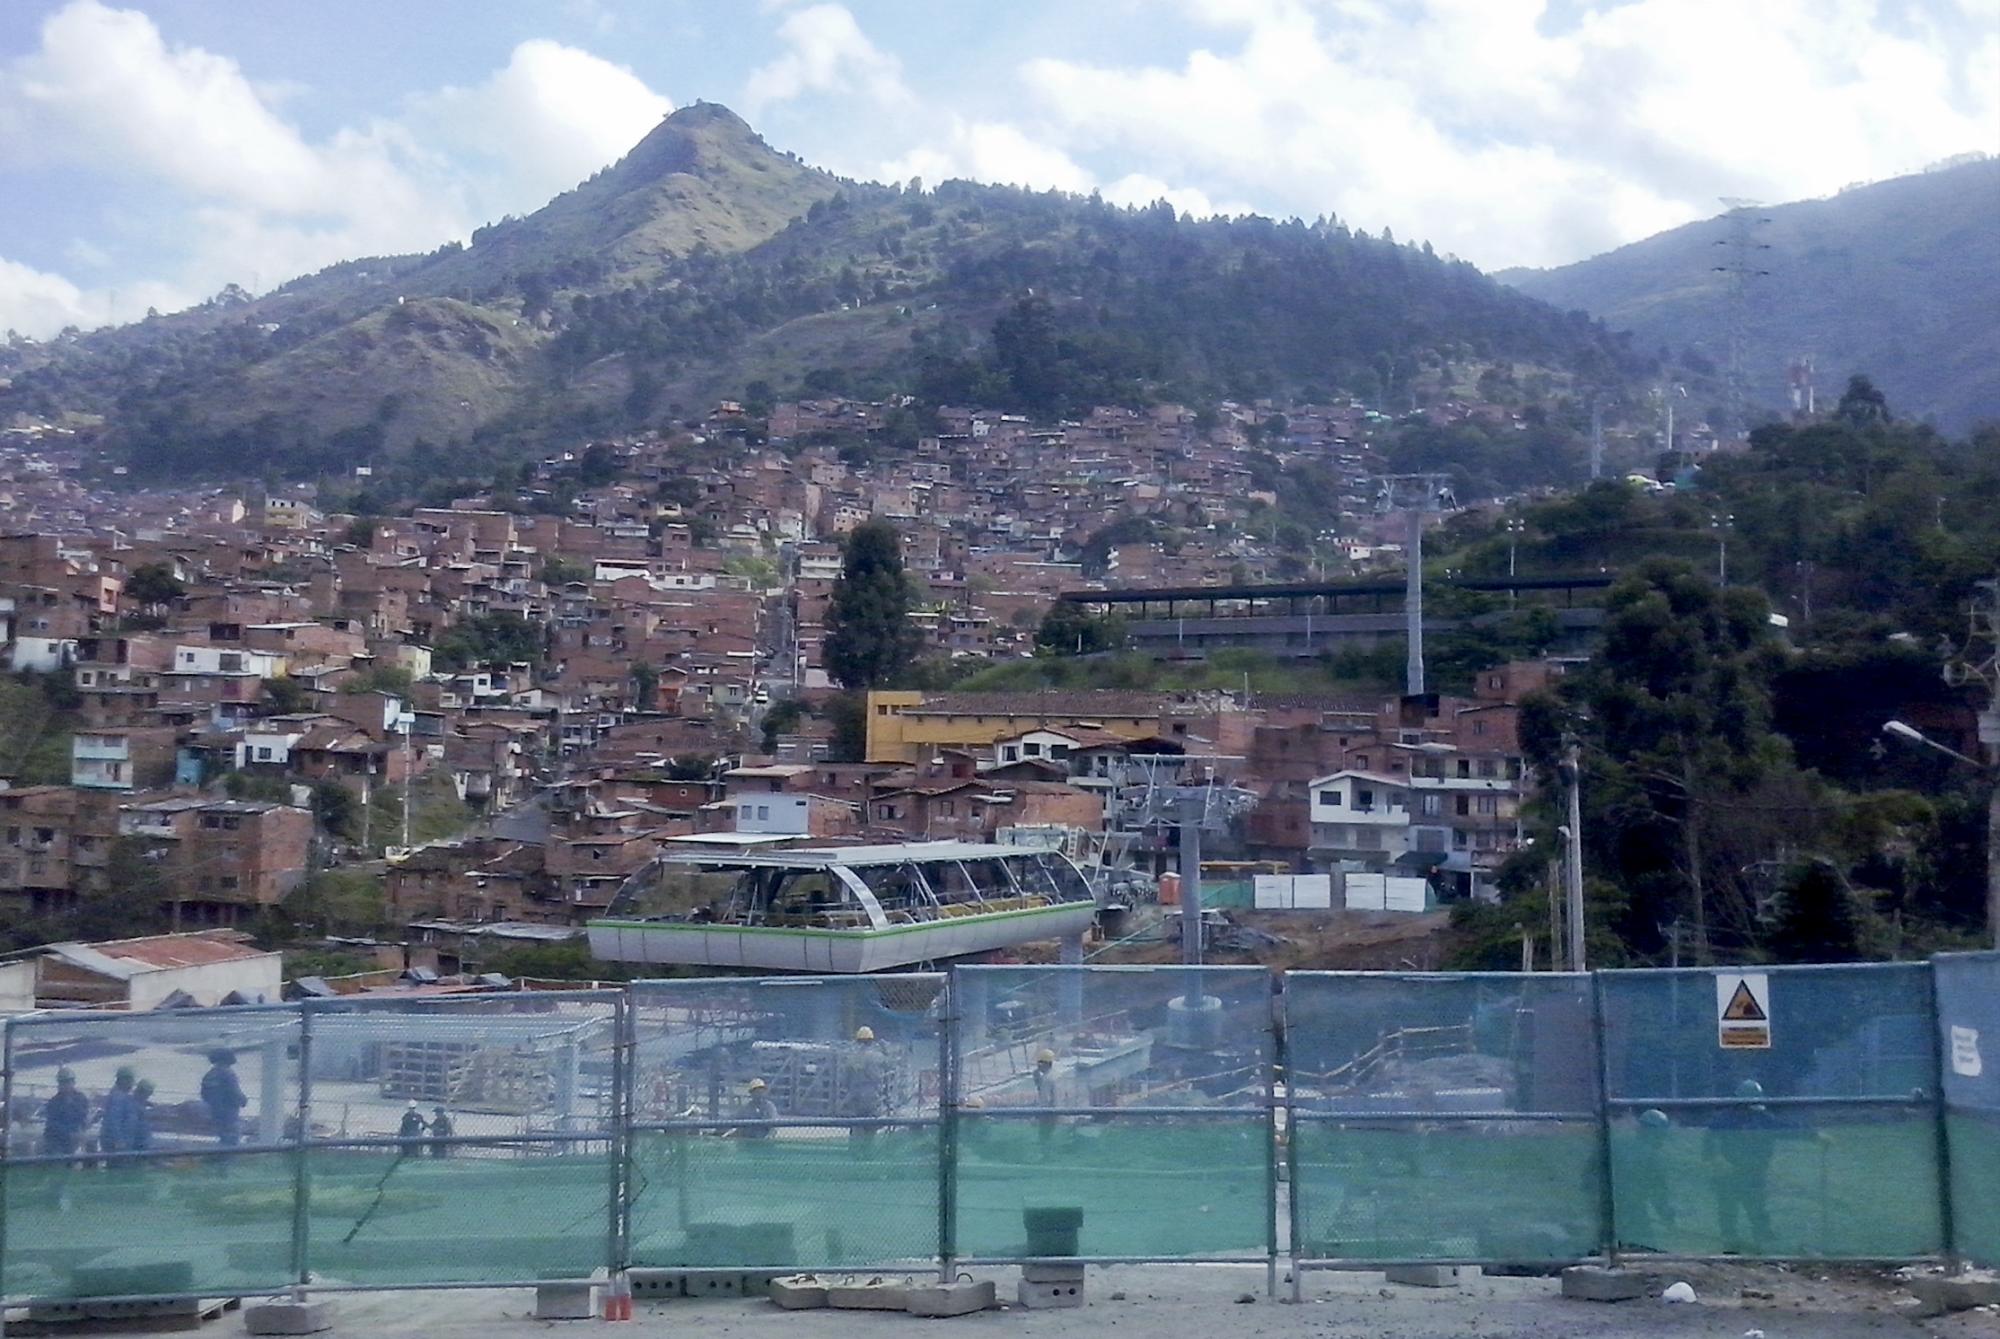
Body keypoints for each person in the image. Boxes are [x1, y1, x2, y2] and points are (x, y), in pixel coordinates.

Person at [1705, 1079, 1779, 1253]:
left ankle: (1763, 1245)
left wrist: (1814, 1135)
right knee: (1728, 1213)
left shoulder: (1762, 1118)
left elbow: (1786, 1127)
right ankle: (1730, 1248)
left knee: (1758, 1210)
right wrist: (1717, 1160)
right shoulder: (1723, 1120)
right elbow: (1708, 1145)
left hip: (1753, 1175)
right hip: (1728, 1176)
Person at [1619, 1108, 1677, 1251]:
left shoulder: (1619, 1146)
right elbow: (1659, 1192)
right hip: (1632, 1210)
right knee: (1645, 1248)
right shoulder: (1651, 1157)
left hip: (1611, 1209)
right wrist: (1667, 1216)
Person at [199, 1050, 247, 1147]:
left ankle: (222, 1156)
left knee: (223, 1135)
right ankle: (228, 1158)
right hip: (229, 1110)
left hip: (215, 1111)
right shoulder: (228, 1073)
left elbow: (204, 1094)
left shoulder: (210, 1074)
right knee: (232, 1137)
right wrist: (243, 1100)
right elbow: (234, 1091)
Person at [41, 1068, 89, 1157]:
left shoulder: (81, 1099)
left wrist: (82, 1131)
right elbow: (52, 1124)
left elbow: (83, 1117)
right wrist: (69, 1133)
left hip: (76, 1140)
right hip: (56, 1141)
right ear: (59, 1084)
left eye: (68, 1082)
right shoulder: (54, 1102)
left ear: (73, 1083)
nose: (66, 1085)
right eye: (63, 1082)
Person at [99, 1067, 140, 1156]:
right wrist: (118, 1140)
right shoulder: (118, 1098)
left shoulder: (122, 1096)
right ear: (123, 1080)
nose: (132, 1084)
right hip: (118, 1144)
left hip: (122, 1141)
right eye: (130, 1081)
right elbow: (114, 1121)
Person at [1033, 1048, 1058, 1142]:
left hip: (1049, 1117)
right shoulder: (1057, 1074)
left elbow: (1045, 1101)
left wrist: (1037, 1116)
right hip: (1060, 1114)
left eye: (1040, 1062)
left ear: (1045, 1063)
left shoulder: (1046, 1079)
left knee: (1045, 1140)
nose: (1038, 1065)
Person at [129, 1080, 155, 1153]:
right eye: (148, 1094)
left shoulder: (136, 1102)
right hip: (138, 1143)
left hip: (142, 1141)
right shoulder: (133, 1107)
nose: (148, 1097)